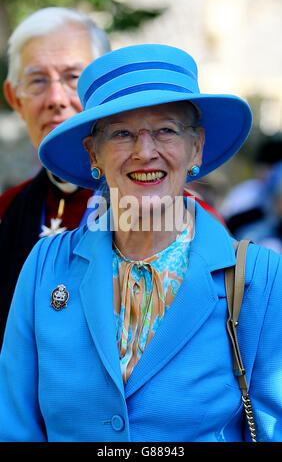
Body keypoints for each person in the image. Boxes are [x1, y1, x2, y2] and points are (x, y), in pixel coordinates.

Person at [1, 44, 281, 443]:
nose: (145, 152)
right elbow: (13, 425)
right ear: (93, 153)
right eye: (122, 133)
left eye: (166, 130)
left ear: (196, 146)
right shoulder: (45, 266)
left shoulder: (258, 276)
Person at [0, 7, 111, 346]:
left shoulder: (170, 212)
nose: (56, 99)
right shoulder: (5, 211)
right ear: (14, 99)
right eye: (37, 80)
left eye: (72, 77)